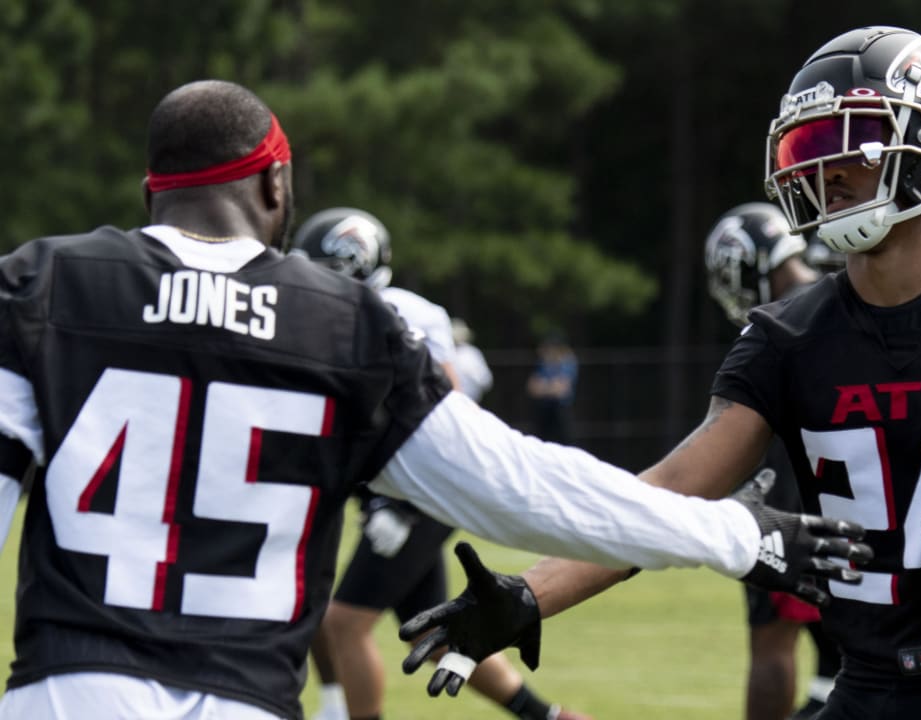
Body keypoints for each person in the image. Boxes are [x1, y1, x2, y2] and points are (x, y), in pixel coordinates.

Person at [400, 26, 921, 720]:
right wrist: (531, 595)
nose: (818, 171)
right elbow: (673, 491)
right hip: (866, 686)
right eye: (805, 148)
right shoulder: (788, 335)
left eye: (844, 146)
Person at [0, 78, 873, 720]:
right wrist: (738, 532)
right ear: (276, 188)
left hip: (59, 694)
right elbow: (524, 487)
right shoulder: (342, 323)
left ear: (151, 195)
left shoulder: (47, 283)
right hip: (242, 701)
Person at [291, 207, 590, 720]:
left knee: (343, 623)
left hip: (417, 496)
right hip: (405, 494)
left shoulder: (396, 311)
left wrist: (400, 505)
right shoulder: (357, 316)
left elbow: (440, 413)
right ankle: (549, 718)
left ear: (349, 262)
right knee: (433, 629)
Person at [705, 202, 840, 720]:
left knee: (771, 644)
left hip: (789, 503)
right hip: (864, 502)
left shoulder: (778, 322)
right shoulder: (845, 296)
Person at [526, 331, 577, 444]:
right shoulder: (543, 363)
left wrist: (543, 387)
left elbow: (561, 390)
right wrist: (550, 387)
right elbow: (532, 388)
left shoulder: (567, 362)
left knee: (564, 444)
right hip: (543, 410)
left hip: (560, 410)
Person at [451, 317, 494, 404]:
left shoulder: (471, 353)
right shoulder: (443, 354)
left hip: (470, 401)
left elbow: (485, 380)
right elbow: (485, 381)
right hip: (453, 403)